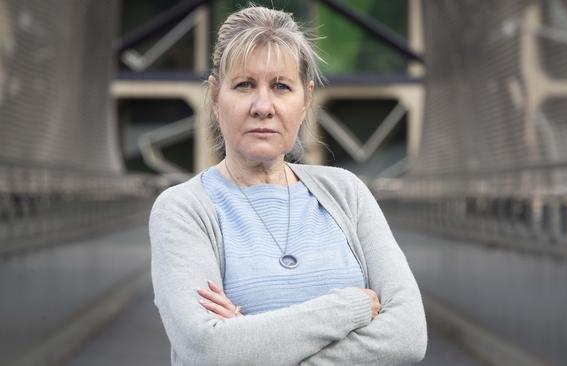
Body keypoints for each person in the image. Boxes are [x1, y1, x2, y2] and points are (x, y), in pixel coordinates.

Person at [149, 5, 427, 365]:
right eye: (245, 85)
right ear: (215, 97)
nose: (263, 106)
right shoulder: (183, 209)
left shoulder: (346, 193)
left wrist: (251, 344)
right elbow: (208, 350)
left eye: (281, 86)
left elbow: (408, 336)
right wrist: (350, 307)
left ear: (306, 99)